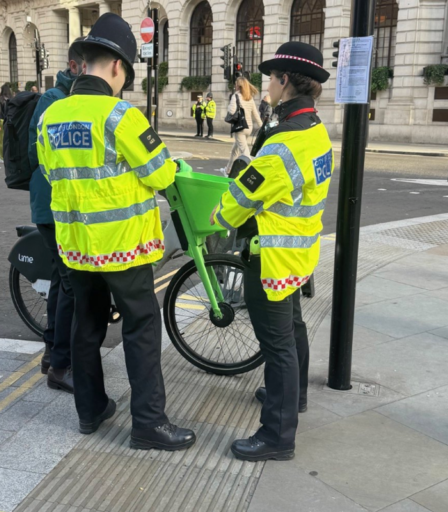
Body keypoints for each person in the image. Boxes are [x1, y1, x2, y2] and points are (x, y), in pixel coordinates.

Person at [36, 12, 196, 450]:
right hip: (125, 249)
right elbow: (161, 173)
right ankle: (148, 423)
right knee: (141, 329)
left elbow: (51, 173)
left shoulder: (52, 116)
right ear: (117, 67)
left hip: (76, 248)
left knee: (85, 327)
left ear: (83, 61)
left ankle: (90, 412)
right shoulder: (121, 115)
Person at [211, 41, 333, 462]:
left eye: (271, 78)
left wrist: (223, 208)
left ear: (285, 80)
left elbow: (236, 204)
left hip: (272, 256)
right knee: (292, 329)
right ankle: (292, 397)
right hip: (298, 252)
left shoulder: (283, 145)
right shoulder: (315, 131)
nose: (267, 84)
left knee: (276, 344)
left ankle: (278, 435)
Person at [27, 38, 84, 391]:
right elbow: (39, 155)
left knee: (64, 282)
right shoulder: (54, 100)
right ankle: (60, 366)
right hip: (52, 206)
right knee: (69, 284)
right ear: (75, 66)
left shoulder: (74, 99)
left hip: (65, 206)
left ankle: (52, 352)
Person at [224, 77, 262, 175]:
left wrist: (229, 105)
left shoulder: (236, 96)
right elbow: (255, 114)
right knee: (235, 150)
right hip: (249, 128)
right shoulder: (249, 97)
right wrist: (261, 126)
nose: (235, 85)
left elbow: (231, 111)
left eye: (236, 83)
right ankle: (228, 170)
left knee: (245, 153)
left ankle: (253, 174)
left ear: (239, 85)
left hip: (240, 128)